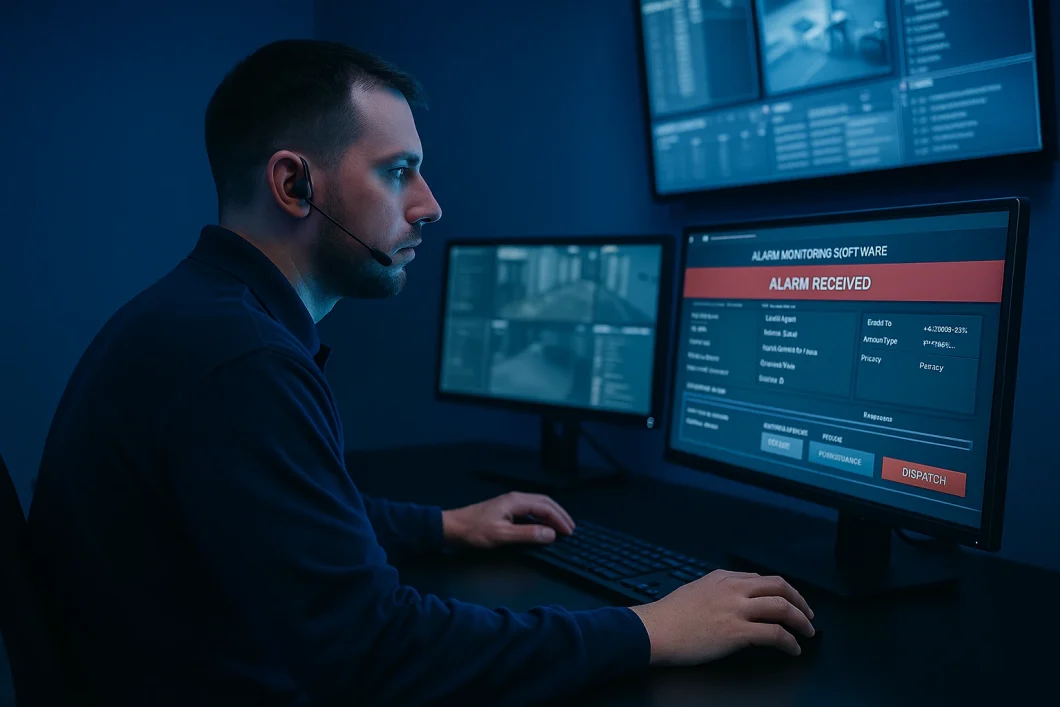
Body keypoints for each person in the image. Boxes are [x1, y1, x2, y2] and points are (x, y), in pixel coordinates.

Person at [27, 39, 815, 706]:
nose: (430, 204)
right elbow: (376, 651)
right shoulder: (242, 360)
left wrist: (446, 526)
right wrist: (652, 628)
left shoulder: (200, 316)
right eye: (399, 171)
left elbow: (296, 515)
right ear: (294, 184)